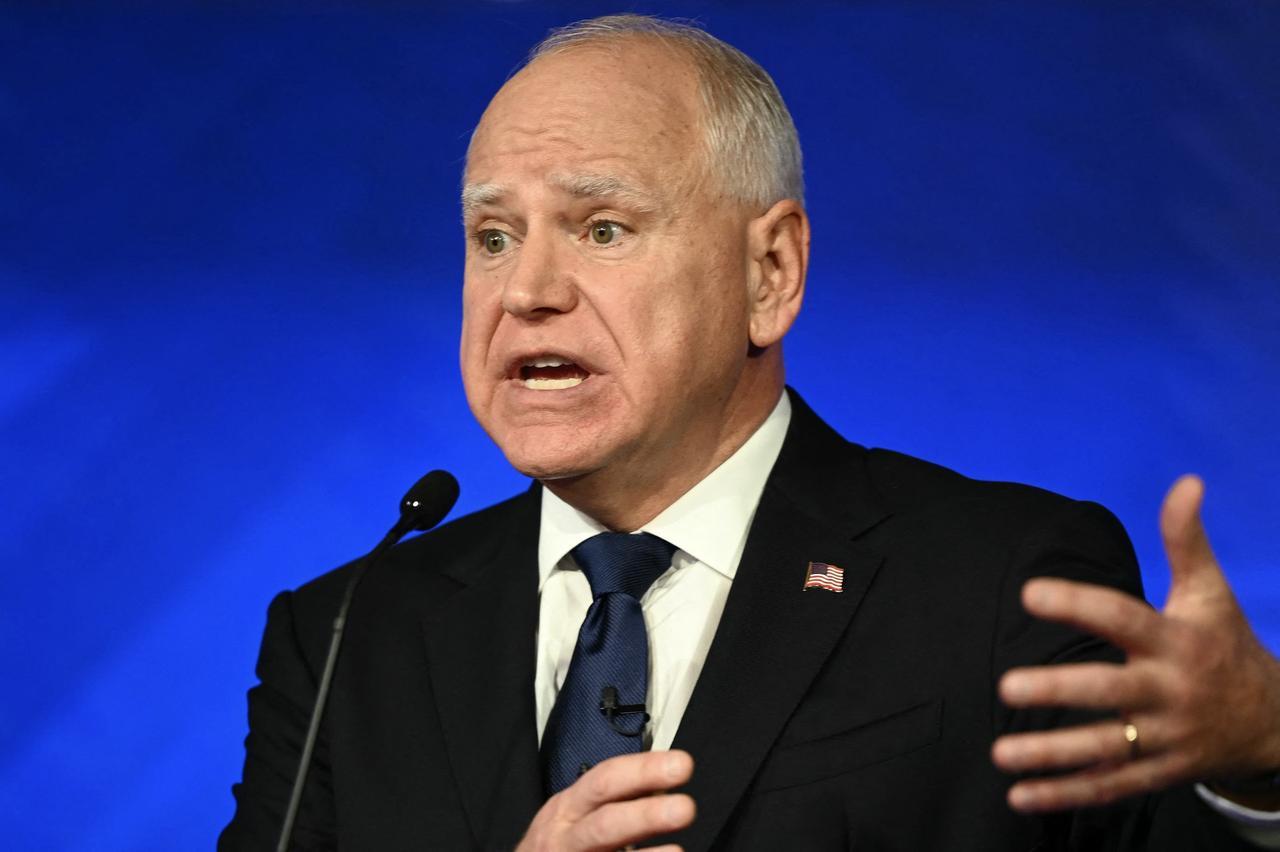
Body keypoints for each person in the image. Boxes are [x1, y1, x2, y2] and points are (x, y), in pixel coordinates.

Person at [220, 15, 1280, 851]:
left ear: (767, 274)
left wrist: (1256, 767)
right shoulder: (351, 636)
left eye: (601, 228)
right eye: (491, 236)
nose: (526, 291)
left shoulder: (995, 586)